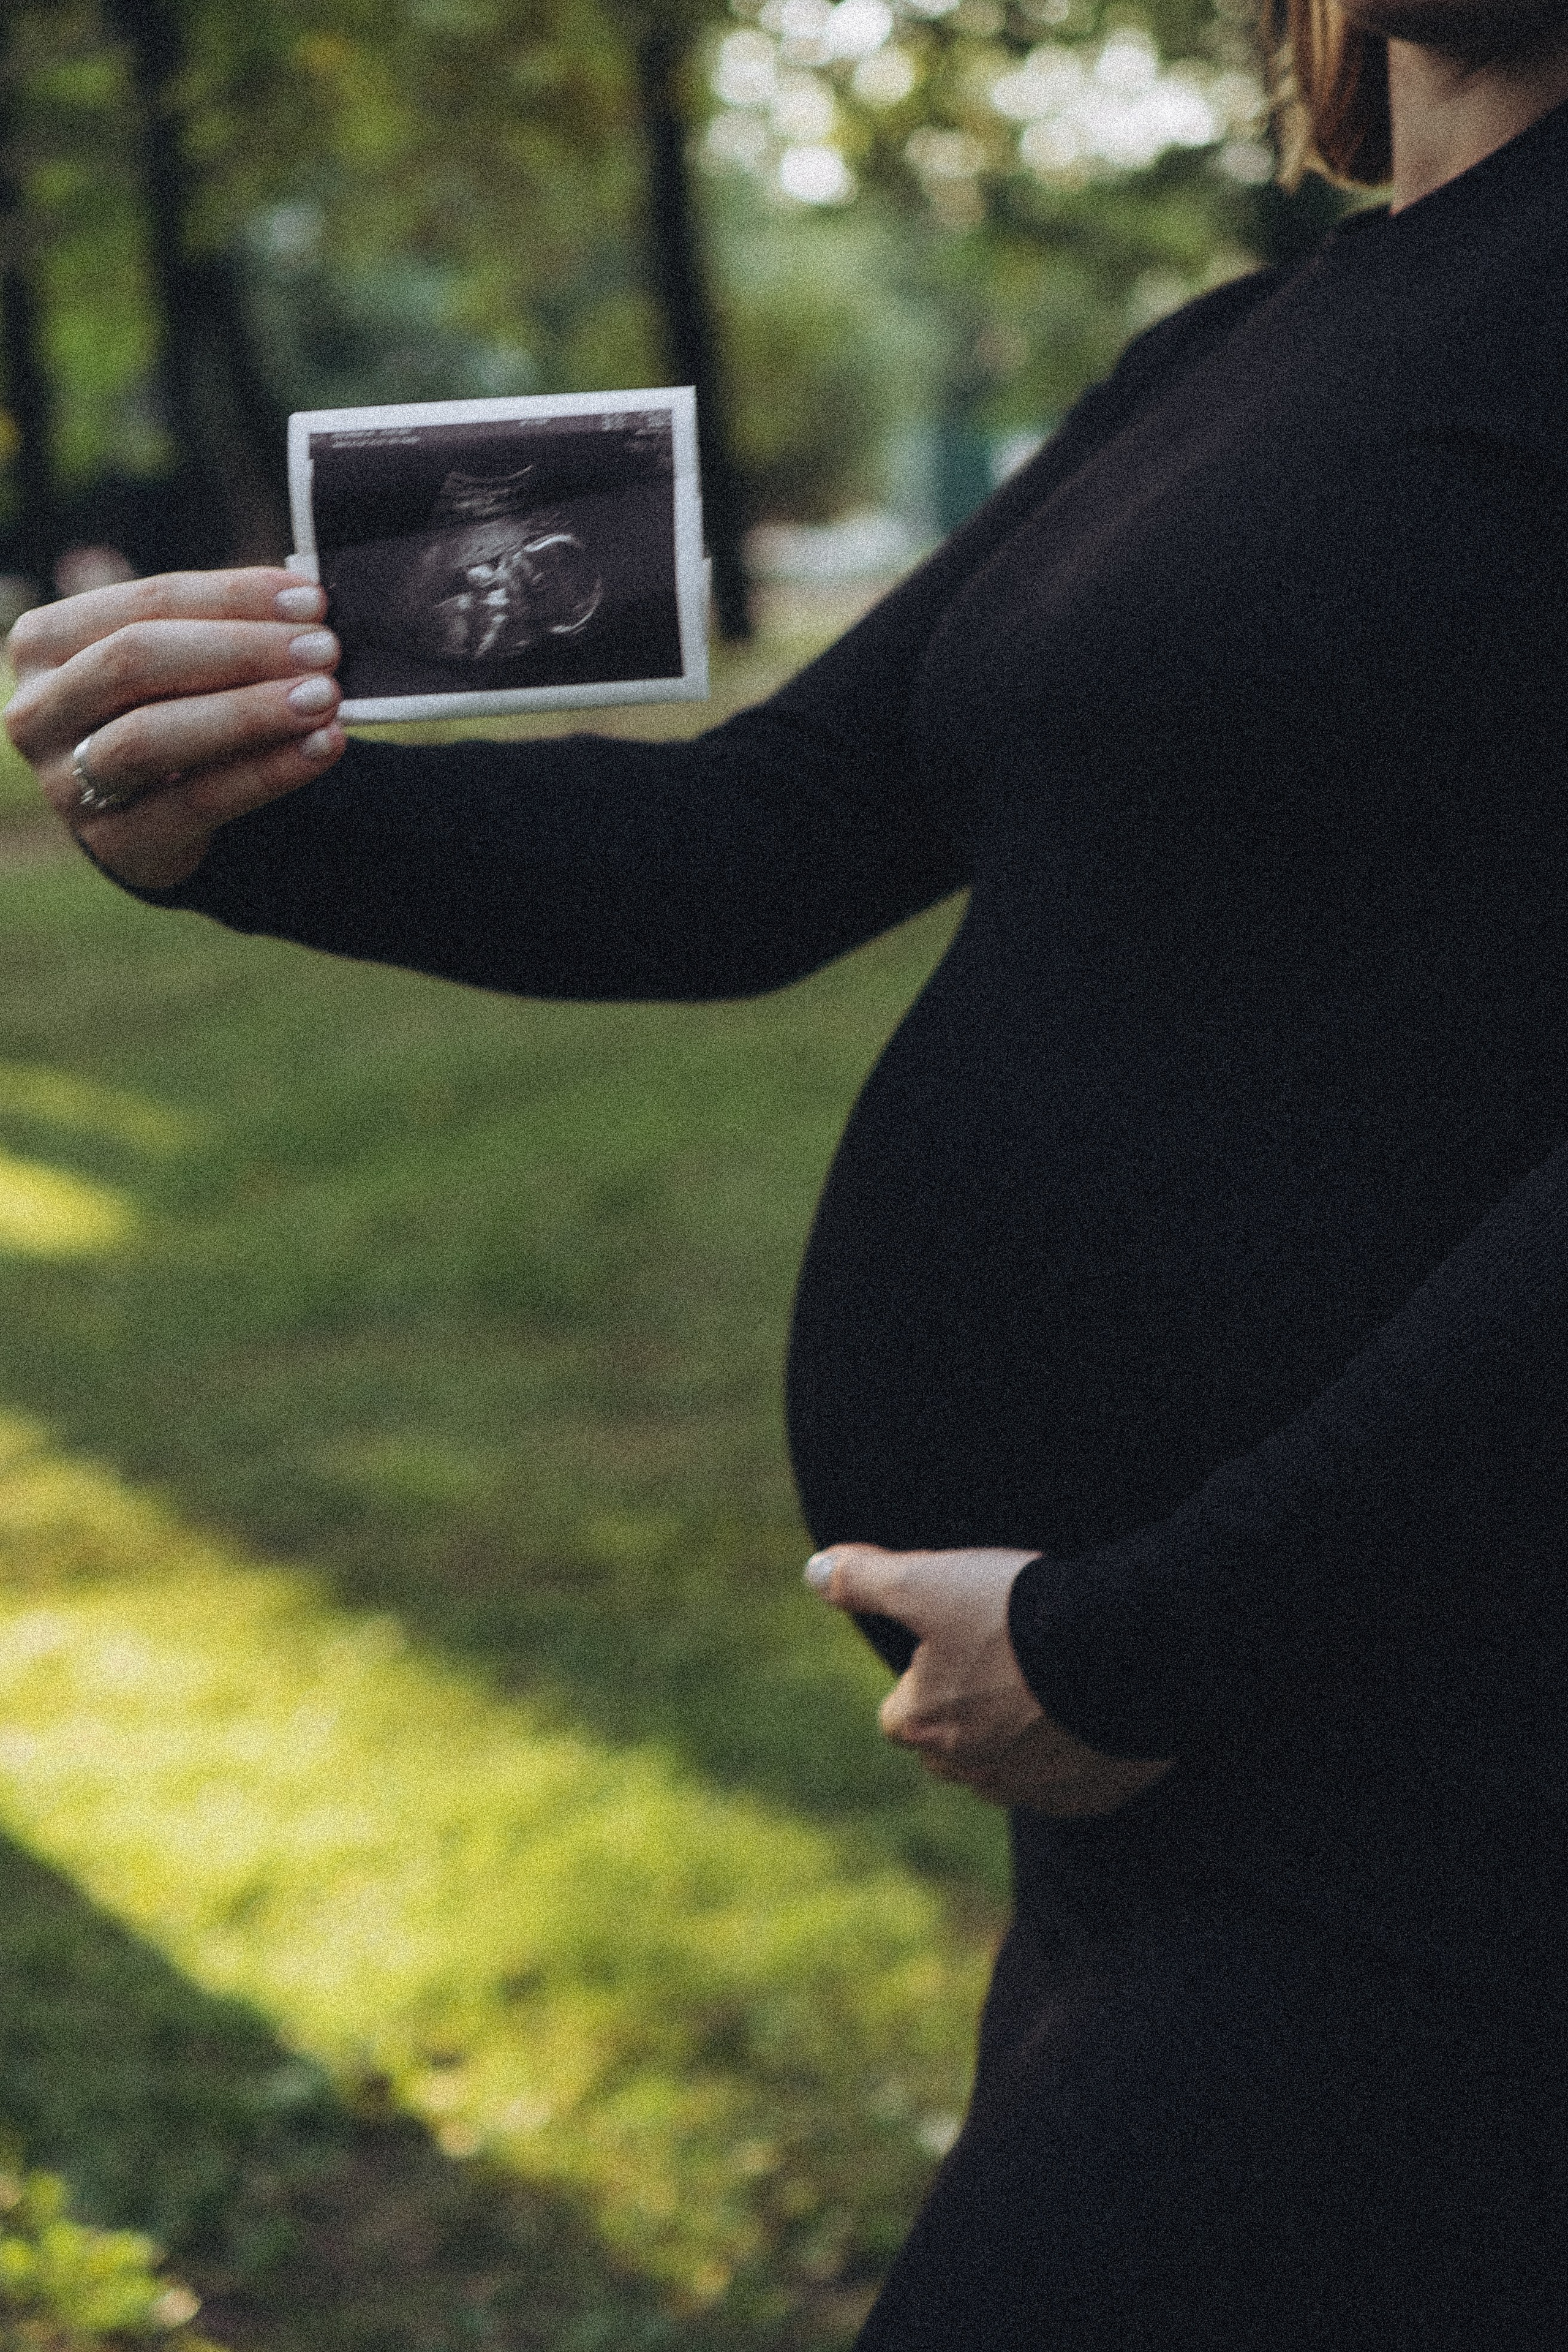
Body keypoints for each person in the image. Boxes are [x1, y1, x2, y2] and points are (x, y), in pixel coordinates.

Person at [8, 0, 1568, 2333]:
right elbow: (771, 836)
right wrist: (240, 829)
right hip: (1160, 1778)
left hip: (1418, 1756)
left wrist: (1157, 1638)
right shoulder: (1230, 352)